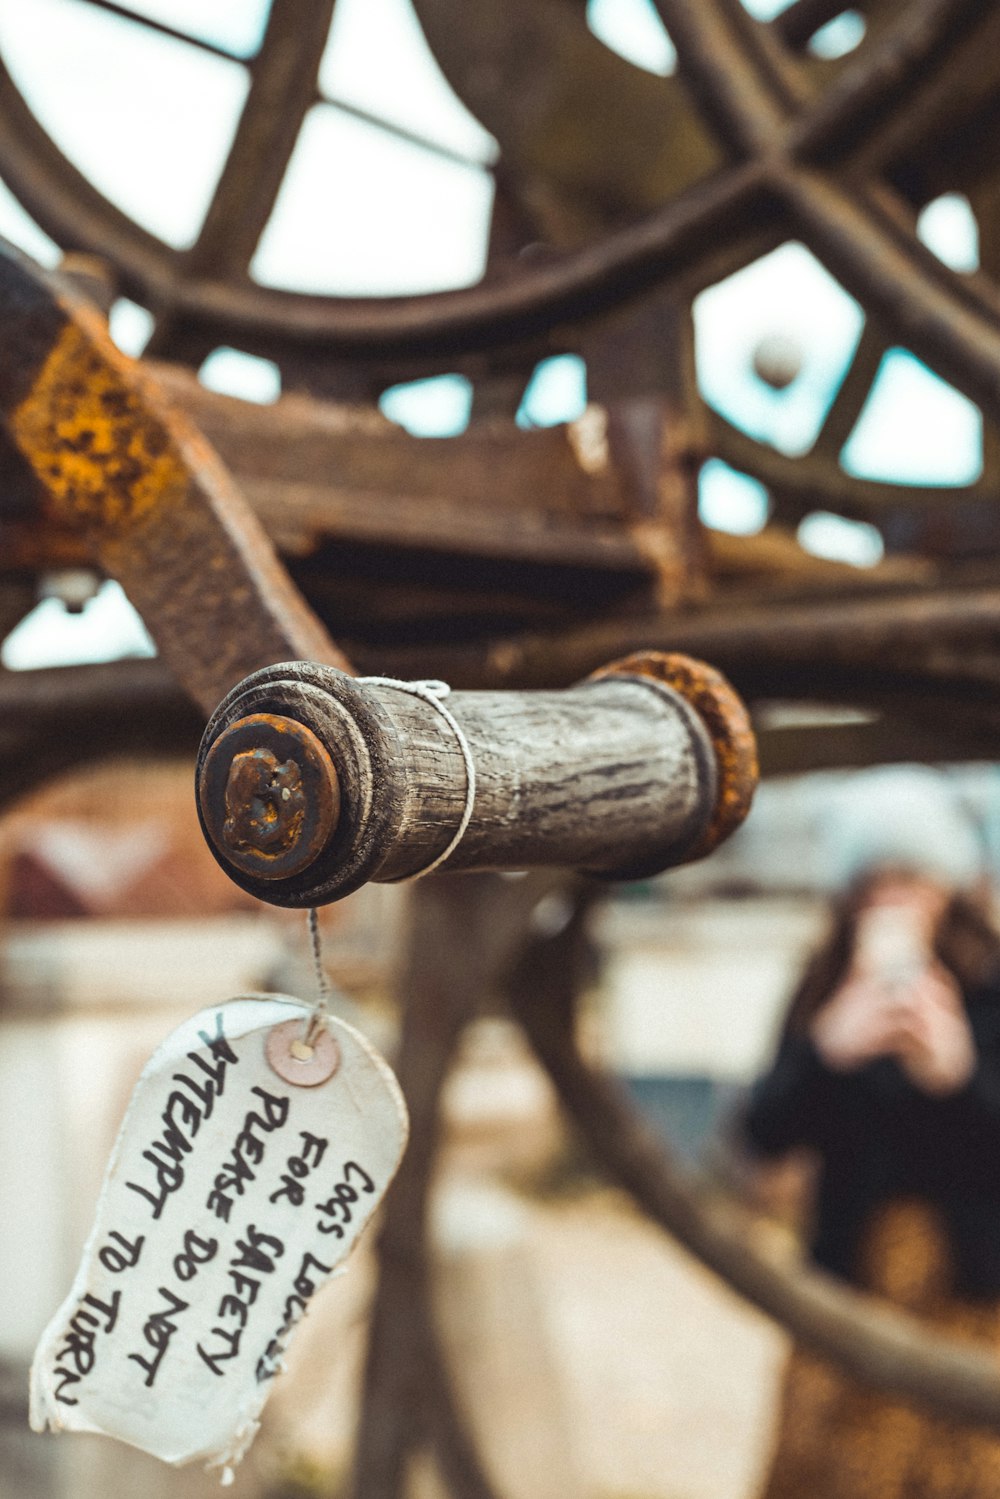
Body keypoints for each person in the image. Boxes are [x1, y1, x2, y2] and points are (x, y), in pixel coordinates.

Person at [744, 861, 1000, 1499]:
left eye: (912, 882)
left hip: (973, 1299)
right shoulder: (825, 990)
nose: (894, 903)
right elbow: (763, 1134)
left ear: (948, 888)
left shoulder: (991, 990)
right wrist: (827, 1049)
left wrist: (960, 1075)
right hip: (843, 1294)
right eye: (875, 886)